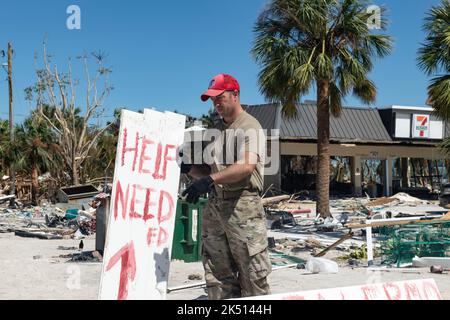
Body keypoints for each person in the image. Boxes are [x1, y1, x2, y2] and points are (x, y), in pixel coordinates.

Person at [181, 73, 271, 300]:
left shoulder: (250, 126)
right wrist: (190, 170)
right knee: (217, 274)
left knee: (253, 275)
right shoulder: (216, 130)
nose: (216, 103)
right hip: (216, 206)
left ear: (235, 95)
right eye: (213, 100)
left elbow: (246, 166)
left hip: (243, 207)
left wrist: (210, 180)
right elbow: (212, 173)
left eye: (220, 97)